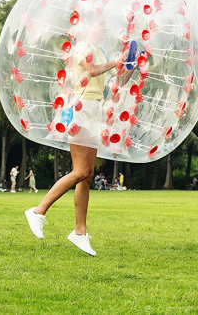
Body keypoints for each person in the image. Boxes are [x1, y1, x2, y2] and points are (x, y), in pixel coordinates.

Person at [25, 16, 135, 256]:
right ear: (88, 27)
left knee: (88, 176)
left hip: (96, 110)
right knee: (80, 171)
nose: (104, 27)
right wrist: (115, 62)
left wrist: (130, 67)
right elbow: (92, 71)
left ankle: (79, 233)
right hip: (80, 108)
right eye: (100, 23)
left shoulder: (102, 51)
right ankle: (38, 211)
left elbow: (117, 81)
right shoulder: (82, 47)